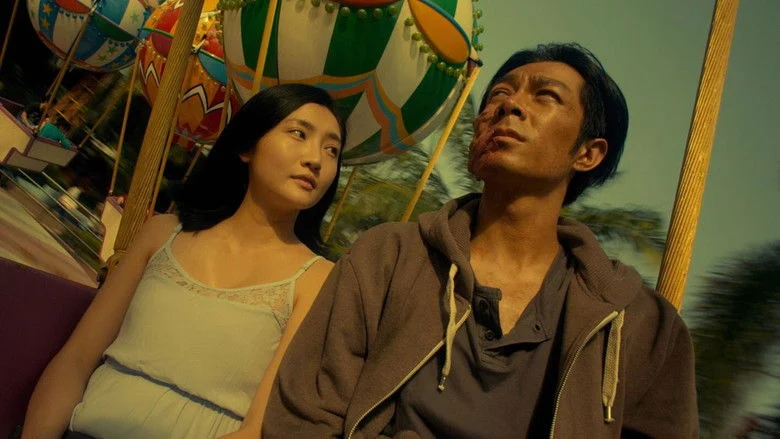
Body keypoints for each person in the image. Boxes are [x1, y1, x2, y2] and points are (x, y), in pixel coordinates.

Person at [262, 43, 698, 438]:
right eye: (499, 94)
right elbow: (304, 418)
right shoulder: (387, 258)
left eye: (545, 96)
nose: (510, 105)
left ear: (588, 153)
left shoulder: (641, 325)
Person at [21, 83, 347, 439]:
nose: (316, 159)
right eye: (299, 134)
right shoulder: (161, 234)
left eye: (331, 150)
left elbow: (257, 430)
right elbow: (75, 361)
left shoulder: (318, 279)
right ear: (247, 146)